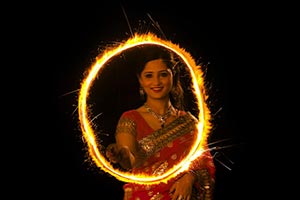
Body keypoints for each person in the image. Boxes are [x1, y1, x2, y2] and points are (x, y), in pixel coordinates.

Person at [105, 45, 215, 200]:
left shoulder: (189, 122)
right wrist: (120, 154)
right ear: (140, 80)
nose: (156, 82)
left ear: (173, 76)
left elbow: (205, 164)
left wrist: (190, 177)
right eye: (149, 75)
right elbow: (130, 161)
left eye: (163, 74)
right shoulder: (130, 119)